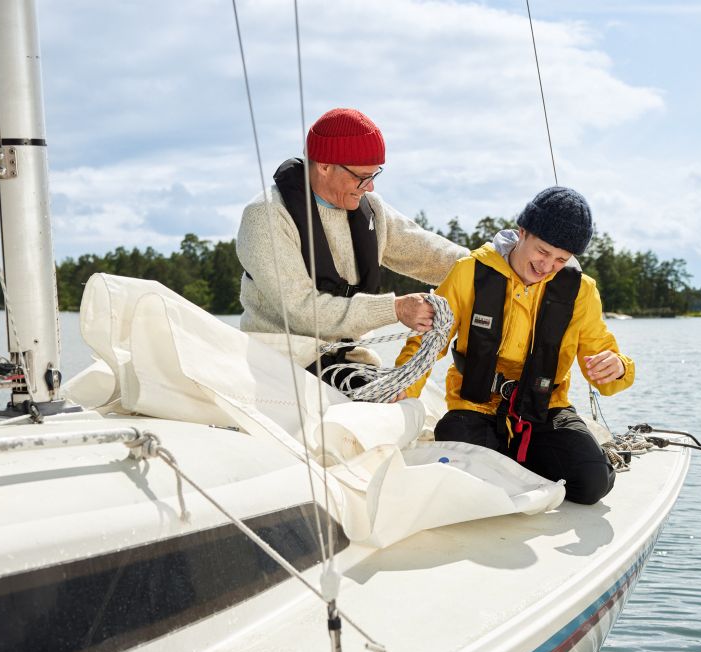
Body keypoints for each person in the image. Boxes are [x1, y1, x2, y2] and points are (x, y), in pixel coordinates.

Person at [396, 187, 634, 505]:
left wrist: (617, 367)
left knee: (593, 483)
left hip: (545, 411)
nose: (547, 266)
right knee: (461, 464)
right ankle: (509, 463)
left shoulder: (582, 291)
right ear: (522, 232)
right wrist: (403, 387)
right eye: (542, 252)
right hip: (475, 407)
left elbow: (600, 351)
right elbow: (428, 342)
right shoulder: (470, 272)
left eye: (561, 259)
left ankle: (522, 462)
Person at [236, 107, 466, 385]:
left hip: (348, 364)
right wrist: (395, 309)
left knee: (409, 405)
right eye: (362, 177)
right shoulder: (266, 215)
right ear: (324, 166)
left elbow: (429, 254)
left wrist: (492, 262)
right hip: (280, 363)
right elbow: (301, 311)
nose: (369, 187)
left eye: (374, 175)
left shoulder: (371, 209)